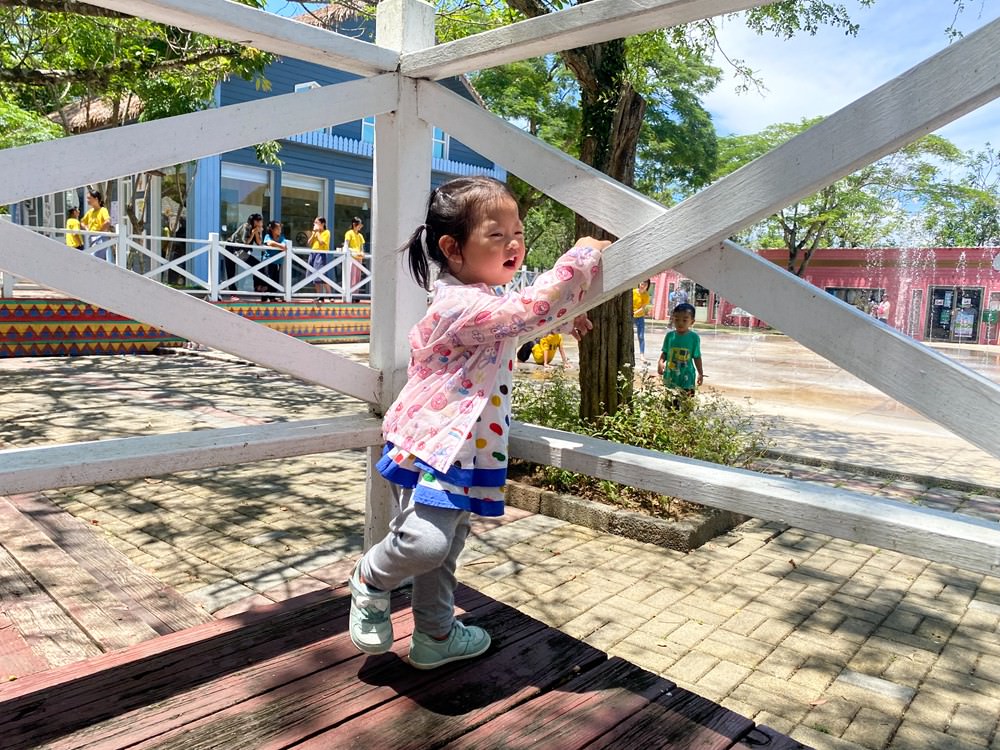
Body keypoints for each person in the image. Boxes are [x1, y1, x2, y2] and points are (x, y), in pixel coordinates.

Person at [349, 175, 607, 669]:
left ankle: (435, 636)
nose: (513, 243)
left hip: (466, 445)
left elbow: (517, 319)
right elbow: (525, 309)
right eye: (496, 234)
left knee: (447, 548)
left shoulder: (483, 301)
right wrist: (582, 254)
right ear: (453, 248)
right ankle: (369, 577)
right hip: (433, 443)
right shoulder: (456, 303)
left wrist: (562, 318)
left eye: (518, 231)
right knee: (427, 541)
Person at [658, 302, 703, 398]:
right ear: (673, 319)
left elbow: (697, 356)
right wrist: (660, 362)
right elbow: (665, 352)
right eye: (677, 319)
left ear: (692, 322)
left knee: (686, 405)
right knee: (670, 405)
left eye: (685, 320)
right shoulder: (670, 336)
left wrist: (700, 373)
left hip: (687, 378)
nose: (680, 323)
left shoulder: (694, 338)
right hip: (671, 377)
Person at [225, 213, 263, 297]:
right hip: (231, 248)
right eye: (258, 220)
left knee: (257, 265)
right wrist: (253, 233)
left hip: (241, 251)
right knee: (231, 271)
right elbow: (245, 242)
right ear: (254, 221)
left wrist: (257, 233)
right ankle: (233, 293)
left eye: (260, 220)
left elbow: (259, 243)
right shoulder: (246, 226)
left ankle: (257, 287)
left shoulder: (257, 229)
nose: (260, 222)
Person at [81, 189, 113, 260]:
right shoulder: (90, 212)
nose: (87, 200)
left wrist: (99, 231)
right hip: (92, 237)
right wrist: (86, 228)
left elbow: (108, 221)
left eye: (89, 198)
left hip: (100, 238)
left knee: (94, 259)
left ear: (96, 199)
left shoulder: (102, 210)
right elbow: (82, 222)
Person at [307, 217, 332, 301]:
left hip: (321, 254)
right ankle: (319, 296)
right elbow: (309, 243)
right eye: (314, 222)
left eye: (316, 222)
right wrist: (313, 234)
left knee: (322, 275)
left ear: (322, 224)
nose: (315, 224)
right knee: (315, 276)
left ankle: (330, 295)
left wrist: (317, 233)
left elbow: (321, 242)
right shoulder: (315, 233)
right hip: (313, 253)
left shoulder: (326, 232)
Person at [260, 220, 286, 300]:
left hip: (277, 263)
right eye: (277, 228)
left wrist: (277, 245)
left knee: (275, 280)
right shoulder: (268, 236)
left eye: (280, 228)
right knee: (267, 280)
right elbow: (269, 243)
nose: (279, 230)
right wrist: (279, 245)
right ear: (272, 229)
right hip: (268, 262)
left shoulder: (282, 237)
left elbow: (284, 246)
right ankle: (264, 299)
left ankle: (272, 298)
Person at [343, 216, 366, 299]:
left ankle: (356, 295)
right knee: (351, 276)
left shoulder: (360, 236)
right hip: (351, 258)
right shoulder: (349, 233)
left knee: (357, 277)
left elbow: (361, 247)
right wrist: (352, 251)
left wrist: (362, 254)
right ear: (354, 224)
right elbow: (346, 246)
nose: (360, 227)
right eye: (359, 225)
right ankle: (350, 294)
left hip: (358, 258)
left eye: (361, 225)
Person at [633, 279, 651, 360]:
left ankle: (642, 355)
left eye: (645, 285)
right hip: (630, 316)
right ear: (639, 283)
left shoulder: (646, 295)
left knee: (641, 336)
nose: (643, 286)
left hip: (639, 317)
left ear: (647, 286)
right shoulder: (633, 292)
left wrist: (635, 313)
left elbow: (643, 308)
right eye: (642, 284)